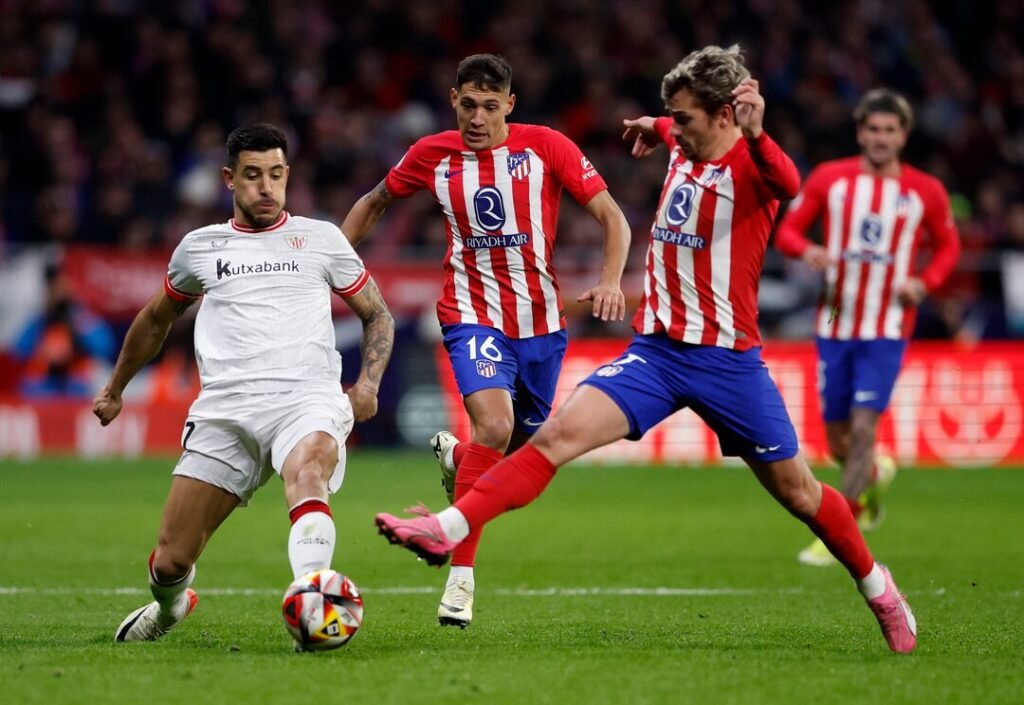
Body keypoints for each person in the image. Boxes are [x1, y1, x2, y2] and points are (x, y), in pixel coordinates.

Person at [374, 46, 917, 654]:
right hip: (656, 356)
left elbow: (786, 181)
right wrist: (651, 127)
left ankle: (880, 589)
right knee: (554, 439)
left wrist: (759, 132)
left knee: (799, 493)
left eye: (682, 118)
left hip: (726, 362)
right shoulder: (685, 141)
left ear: (722, 116)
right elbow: (669, 127)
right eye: (671, 118)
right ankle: (445, 529)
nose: (673, 128)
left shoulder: (751, 168)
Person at [342, 54, 630, 628]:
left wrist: (611, 281)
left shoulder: (545, 146)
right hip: (470, 313)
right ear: (454, 100)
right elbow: (374, 202)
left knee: (519, 467)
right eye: (468, 105)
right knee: (494, 428)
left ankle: (458, 459)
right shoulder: (431, 154)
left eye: (490, 107)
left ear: (510, 106)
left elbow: (611, 217)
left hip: (541, 324)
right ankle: (460, 581)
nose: (477, 117)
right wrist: (329, 266)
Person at [93, 123, 394, 646]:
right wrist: (116, 388)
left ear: (287, 176)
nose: (266, 187)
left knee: (308, 471)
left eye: (276, 175)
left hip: (307, 399)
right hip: (226, 412)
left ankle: (311, 602)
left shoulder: (322, 239)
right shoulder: (200, 248)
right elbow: (155, 319)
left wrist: (367, 383)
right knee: (170, 560)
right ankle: (170, 608)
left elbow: (378, 315)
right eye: (253, 176)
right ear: (229, 179)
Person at [774, 89, 961, 566]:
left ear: (903, 136)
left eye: (889, 131)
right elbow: (789, 231)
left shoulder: (926, 192)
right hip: (835, 318)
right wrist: (806, 251)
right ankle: (875, 475)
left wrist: (925, 282)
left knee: (862, 428)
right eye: (872, 130)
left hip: (888, 324)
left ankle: (841, 528)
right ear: (860, 133)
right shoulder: (830, 180)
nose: (880, 138)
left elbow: (948, 247)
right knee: (838, 438)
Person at [14, 259, 116, 397]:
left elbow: (106, 348)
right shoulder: (40, 319)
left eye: (62, 284)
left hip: (75, 386)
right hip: (41, 387)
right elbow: (19, 352)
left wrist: (75, 318)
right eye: (53, 285)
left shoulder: (82, 316)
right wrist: (45, 316)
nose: (58, 290)